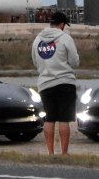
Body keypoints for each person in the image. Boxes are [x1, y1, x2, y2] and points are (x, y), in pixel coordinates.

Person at [31, 11, 80, 155]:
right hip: (65, 82)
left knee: (49, 118)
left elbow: (35, 61)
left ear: (50, 23)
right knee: (64, 119)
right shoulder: (65, 38)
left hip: (45, 83)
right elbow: (74, 62)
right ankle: (64, 153)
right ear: (62, 24)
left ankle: (50, 152)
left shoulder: (37, 40)